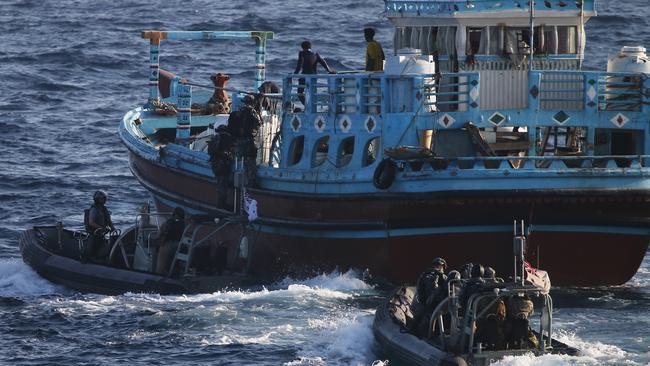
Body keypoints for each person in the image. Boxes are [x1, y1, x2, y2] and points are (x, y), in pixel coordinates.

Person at [410, 257, 448, 336]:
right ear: (441, 266)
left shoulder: (424, 274)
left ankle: (413, 330)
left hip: (423, 303)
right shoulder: (442, 277)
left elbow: (419, 288)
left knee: (418, 319)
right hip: (434, 305)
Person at [293, 41, 335, 106]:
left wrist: (295, 74)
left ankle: (307, 106)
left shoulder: (302, 53)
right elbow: (323, 62)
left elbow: (300, 64)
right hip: (314, 77)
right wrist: (329, 70)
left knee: (300, 93)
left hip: (304, 77)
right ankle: (312, 107)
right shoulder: (316, 54)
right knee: (311, 93)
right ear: (310, 47)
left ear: (302, 47)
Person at [84, 190, 115, 261]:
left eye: (105, 198)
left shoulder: (104, 209)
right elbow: (91, 222)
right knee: (91, 249)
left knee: (102, 246)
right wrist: (101, 228)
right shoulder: (94, 209)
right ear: (97, 199)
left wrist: (112, 228)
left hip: (102, 232)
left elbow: (108, 220)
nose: (104, 200)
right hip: (94, 232)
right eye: (103, 199)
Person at [154, 207, 186, 275]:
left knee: (159, 269)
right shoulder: (183, 224)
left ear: (175, 215)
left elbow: (159, 235)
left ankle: (158, 274)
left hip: (169, 245)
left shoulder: (168, 224)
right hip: (179, 244)